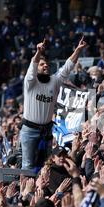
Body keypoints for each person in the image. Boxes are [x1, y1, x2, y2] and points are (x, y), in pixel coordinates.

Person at [20, 35, 87, 169]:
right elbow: (32, 68)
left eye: (46, 64)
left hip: (47, 130)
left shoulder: (54, 81)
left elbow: (68, 66)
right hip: (29, 130)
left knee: (47, 164)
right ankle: (27, 190)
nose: (45, 65)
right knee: (27, 166)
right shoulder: (30, 82)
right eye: (41, 64)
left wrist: (78, 50)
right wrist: (38, 53)